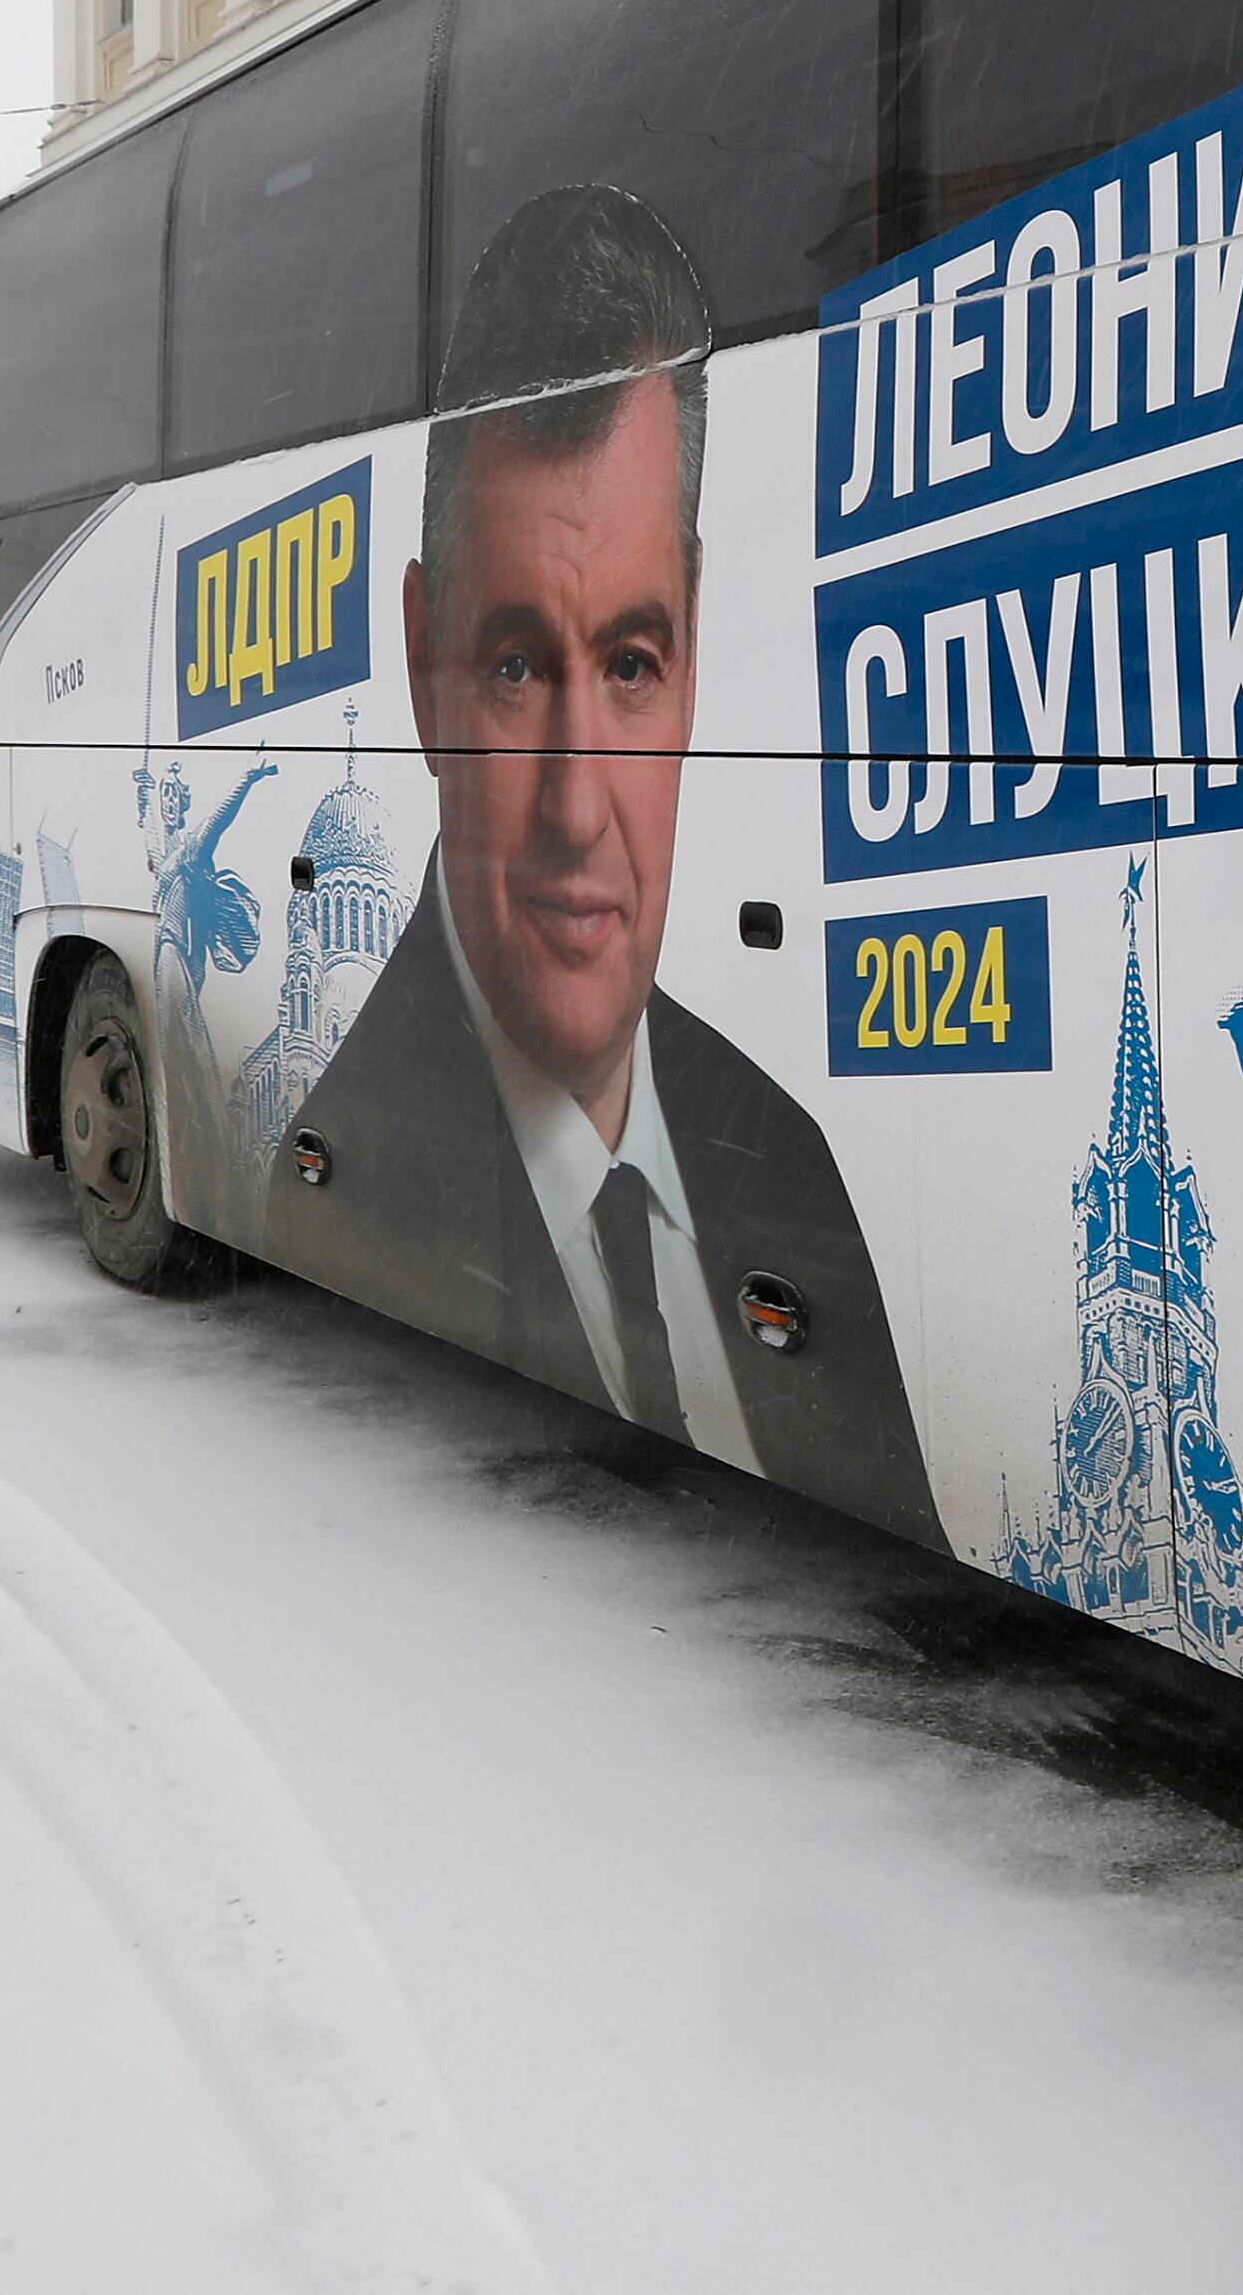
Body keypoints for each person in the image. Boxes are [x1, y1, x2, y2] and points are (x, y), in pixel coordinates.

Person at [278, 185, 941, 1548]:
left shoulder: (790, 1164)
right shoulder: (334, 1170)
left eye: (631, 664)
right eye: (515, 668)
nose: (581, 811)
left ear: (692, 651)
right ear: (423, 668)